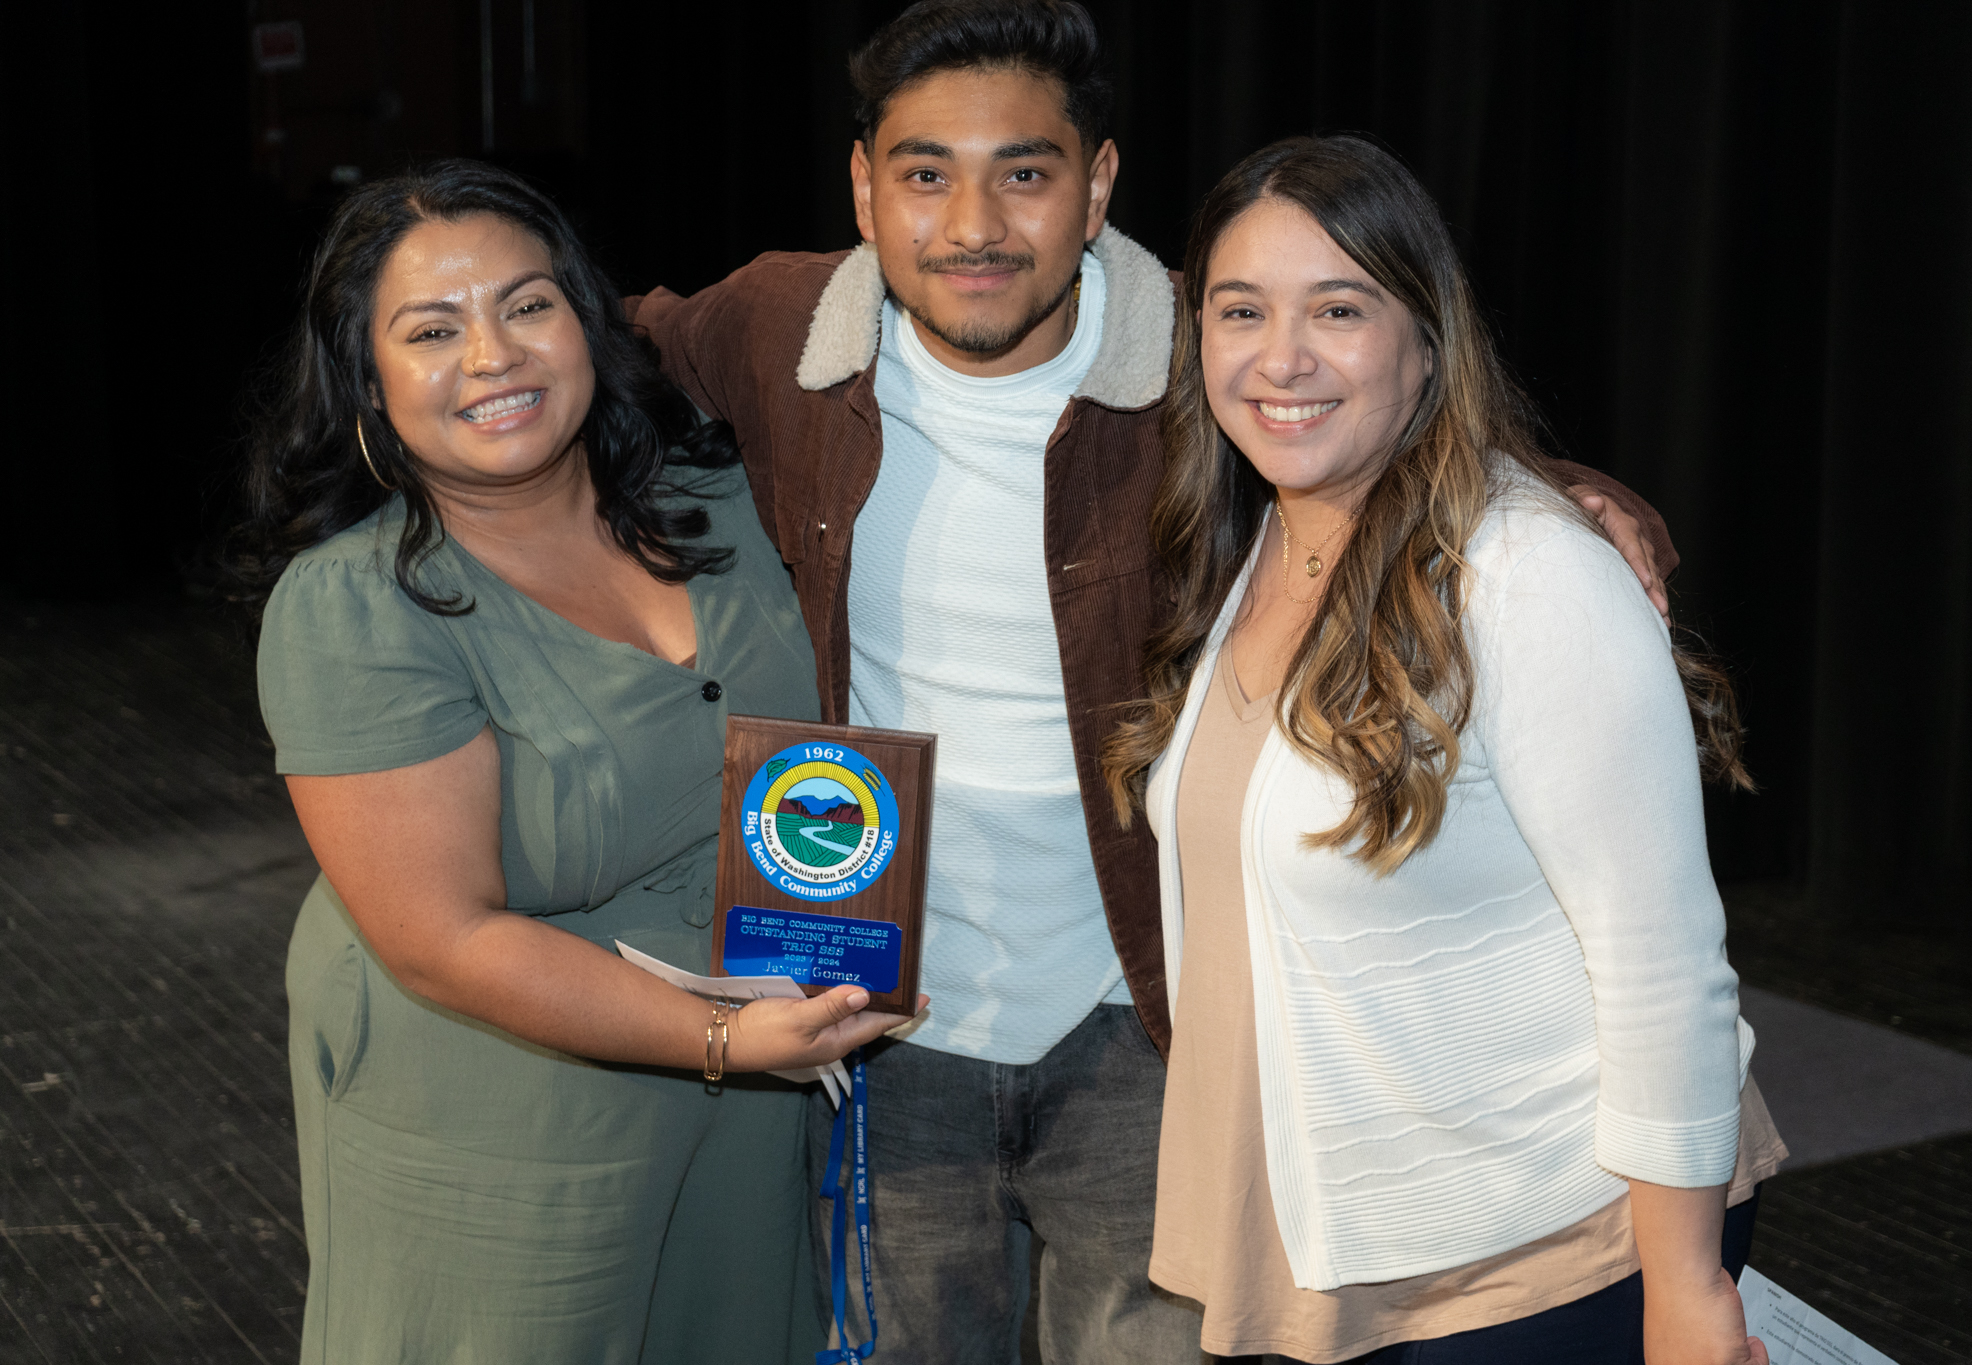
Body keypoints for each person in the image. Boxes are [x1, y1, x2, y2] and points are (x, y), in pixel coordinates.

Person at [628, 3, 1677, 1358]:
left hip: (1144, 1022)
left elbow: (1401, 420)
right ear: (863, 188)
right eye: (925, 173)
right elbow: (591, 359)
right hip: (884, 1024)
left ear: (1099, 182)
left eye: (1025, 171)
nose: (974, 223)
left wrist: (1584, 493)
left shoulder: (1208, 354)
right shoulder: (780, 326)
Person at [1100, 134, 1788, 1365]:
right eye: (1240, 309)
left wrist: (1684, 1293)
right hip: (1347, 1246)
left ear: (1426, 339)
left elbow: (1660, 959)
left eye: (1339, 308)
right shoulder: (1258, 542)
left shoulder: (1527, 573)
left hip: (1549, 1257)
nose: (1281, 357)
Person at [232, 160, 916, 1363]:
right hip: (504, 1127)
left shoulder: (726, 501)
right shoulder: (352, 611)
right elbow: (442, 940)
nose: (492, 356)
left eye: (526, 305)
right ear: (367, 381)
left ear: (587, 320)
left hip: (752, 1113)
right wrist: (719, 1041)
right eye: (432, 329)